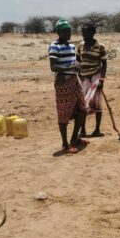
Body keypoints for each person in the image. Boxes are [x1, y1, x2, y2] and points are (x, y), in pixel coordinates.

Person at [48, 19, 89, 154]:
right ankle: (65, 145)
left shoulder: (72, 46)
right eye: (65, 31)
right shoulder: (55, 45)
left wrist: (77, 66)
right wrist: (69, 67)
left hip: (74, 81)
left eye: (69, 31)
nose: (68, 34)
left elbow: (74, 61)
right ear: (58, 32)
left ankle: (74, 138)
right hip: (62, 83)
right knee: (64, 113)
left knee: (83, 110)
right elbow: (53, 67)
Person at [76, 23, 108, 137]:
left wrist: (101, 80)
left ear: (92, 33)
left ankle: (97, 130)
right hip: (84, 78)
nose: (83, 35)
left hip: (96, 76)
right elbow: (78, 60)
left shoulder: (100, 46)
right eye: (82, 32)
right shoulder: (80, 45)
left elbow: (104, 64)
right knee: (83, 103)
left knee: (97, 103)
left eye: (85, 32)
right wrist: (79, 73)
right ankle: (83, 130)